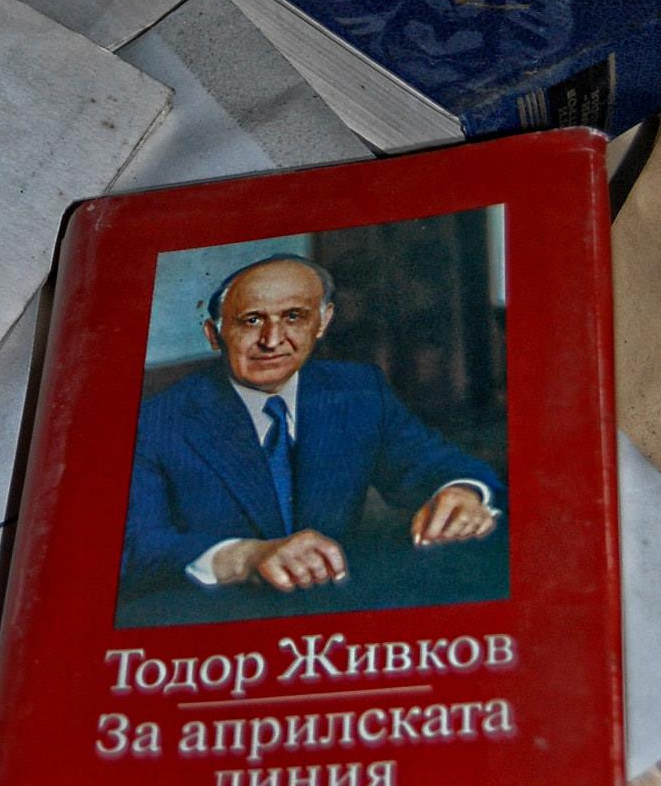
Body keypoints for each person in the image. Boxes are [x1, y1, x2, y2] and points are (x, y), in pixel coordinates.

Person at [120, 253, 504, 598]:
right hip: (217, 624)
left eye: (294, 317)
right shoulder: (157, 421)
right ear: (214, 335)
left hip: (336, 611)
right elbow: (135, 547)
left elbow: (442, 466)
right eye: (252, 321)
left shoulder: (358, 391)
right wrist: (247, 557)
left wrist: (461, 492)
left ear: (322, 322)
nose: (273, 340)